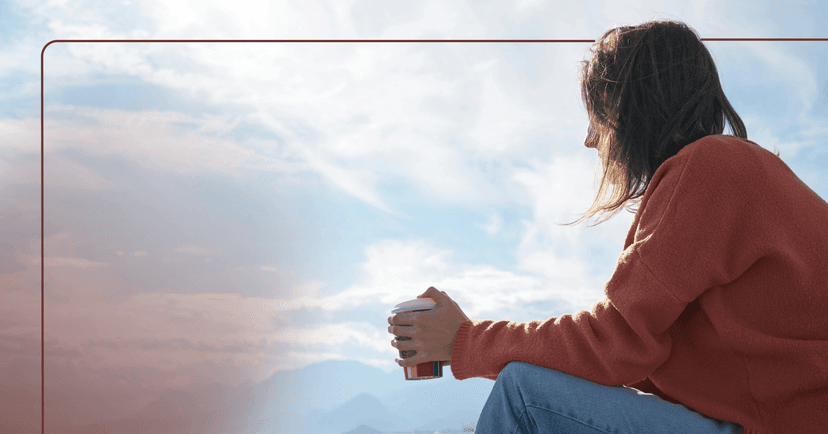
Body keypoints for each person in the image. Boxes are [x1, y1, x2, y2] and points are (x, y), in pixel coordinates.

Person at [387, 20, 828, 434]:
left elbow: (616, 342)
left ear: (631, 107)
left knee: (522, 393)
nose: (590, 138)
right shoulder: (744, 174)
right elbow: (640, 357)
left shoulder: (711, 169)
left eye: (598, 112)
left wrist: (464, 341)